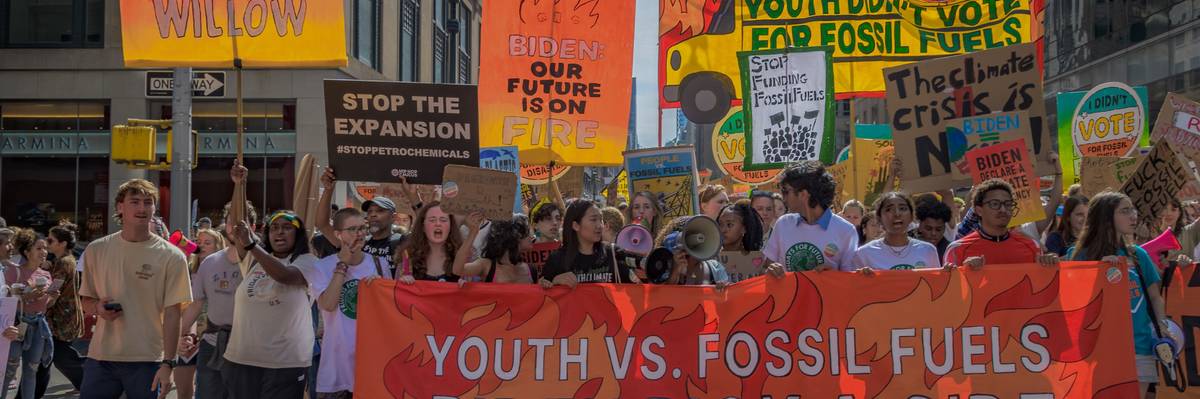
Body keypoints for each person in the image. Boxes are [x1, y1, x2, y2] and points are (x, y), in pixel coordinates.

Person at [79, 178, 192, 399]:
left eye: (148, 202)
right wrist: (98, 308)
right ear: (120, 207)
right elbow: (86, 300)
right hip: (101, 357)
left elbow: (173, 313)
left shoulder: (172, 256)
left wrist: (169, 363)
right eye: (135, 201)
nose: (142, 208)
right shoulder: (96, 249)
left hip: (147, 360)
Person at [1065, 192, 1174, 398]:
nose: (1133, 216)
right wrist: (1097, 272)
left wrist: (1162, 325)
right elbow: (1074, 302)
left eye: (1133, 209)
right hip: (1100, 348)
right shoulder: (1079, 255)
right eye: (1125, 211)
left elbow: (1155, 297)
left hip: (1140, 346)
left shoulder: (1138, 254)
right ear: (1106, 217)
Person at [221, 210, 320, 399]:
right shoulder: (252, 259)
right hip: (241, 359)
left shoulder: (309, 261)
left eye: (287, 228)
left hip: (285, 363)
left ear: (298, 235)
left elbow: (285, 276)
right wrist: (239, 184)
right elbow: (236, 221)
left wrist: (252, 245)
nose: (279, 232)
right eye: (274, 228)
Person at [311, 207, 392, 398]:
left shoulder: (380, 264)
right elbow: (328, 305)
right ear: (338, 234)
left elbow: (389, 313)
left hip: (372, 369)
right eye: (353, 229)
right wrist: (342, 265)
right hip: (337, 373)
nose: (360, 234)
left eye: (363, 228)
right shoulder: (322, 267)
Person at [181, 199, 256, 399]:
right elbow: (196, 304)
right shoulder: (209, 263)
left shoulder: (263, 263)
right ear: (225, 226)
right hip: (212, 345)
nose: (237, 227)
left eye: (243, 222)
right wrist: (177, 337)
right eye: (232, 222)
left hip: (251, 348)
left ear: (253, 227)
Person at [762, 161, 858, 275]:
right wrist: (772, 269)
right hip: (789, 293)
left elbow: (851, 279)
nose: (783, 197)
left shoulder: (846, 231)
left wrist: (833, 274)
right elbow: (767, 267)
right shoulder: (783, 224)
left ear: (803, 194)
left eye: (785, 191)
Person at [943, 179, 1058, 269]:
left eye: (1008, 204)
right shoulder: (958, 248)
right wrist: (965, 272)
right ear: (979, 210)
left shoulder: (1032, 246)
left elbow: (1042, 290)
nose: (1003, 209)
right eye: (994, 204)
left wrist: (1049, 266)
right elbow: (951, 293)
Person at [2, 228, 54, 399]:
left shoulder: (46, 275)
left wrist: (52, 297)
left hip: (38, 325)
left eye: (45, 248)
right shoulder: (14, 272)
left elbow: (45, 305)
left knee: (31, 370)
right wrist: (26, 296)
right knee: (9, 370)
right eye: (39, 248)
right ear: (27, 251)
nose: (44, 252)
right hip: (17, 324)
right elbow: (6, 300)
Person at [315, 167, 405, 264]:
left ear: (393, 217)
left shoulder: (403, 242)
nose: (373, 214)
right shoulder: (357, 242)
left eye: (380, 211)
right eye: (370, 211)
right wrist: (328, 190)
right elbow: (322, 225)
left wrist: (414, 198)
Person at [541, 199, 640, 287]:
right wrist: (554, 282)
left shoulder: (613, 254)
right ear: (576, 225)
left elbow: (638, 288)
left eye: (601, 219)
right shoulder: (557, 259)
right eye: (593, 220)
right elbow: (538, 294)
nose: (599, 225)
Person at [39, 222, 85, 396]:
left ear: (62, 243)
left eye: (50, 240)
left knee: (60, 354)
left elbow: (53, 292)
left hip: (62, 317)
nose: (46, 243)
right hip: (65, 316)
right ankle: (83, 381)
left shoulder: (63, 263)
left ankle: (92, 374)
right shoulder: (64, 261)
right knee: (60, 354)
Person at [851, 193, 940, 271]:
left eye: (902, 208)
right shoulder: (864, 254)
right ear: (879, 218)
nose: (897, 214)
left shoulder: (928, 251)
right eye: (889, 209)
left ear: (912, 216)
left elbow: (937, 286)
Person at [395, 203, 468, 283]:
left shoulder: (464, 256)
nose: (438, 224)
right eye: (432, 220)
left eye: (443, 220)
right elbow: (395, 291)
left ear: (451, 226)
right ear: (423, 226)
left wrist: (468, 287)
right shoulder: (408, 256)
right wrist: (402, 282)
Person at [456, 219, 534, 284]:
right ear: (515, 237)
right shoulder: (486, 265)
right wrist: (473, 232)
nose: (532, 237)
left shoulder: (531, 269)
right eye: (527, 233)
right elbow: (458, 270)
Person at [911, 195, 953, 261]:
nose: (933, 233)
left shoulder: (950, 250)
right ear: (920, 226)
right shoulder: (904, 242)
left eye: (938, 229)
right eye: (928, 229)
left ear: (945, 228)